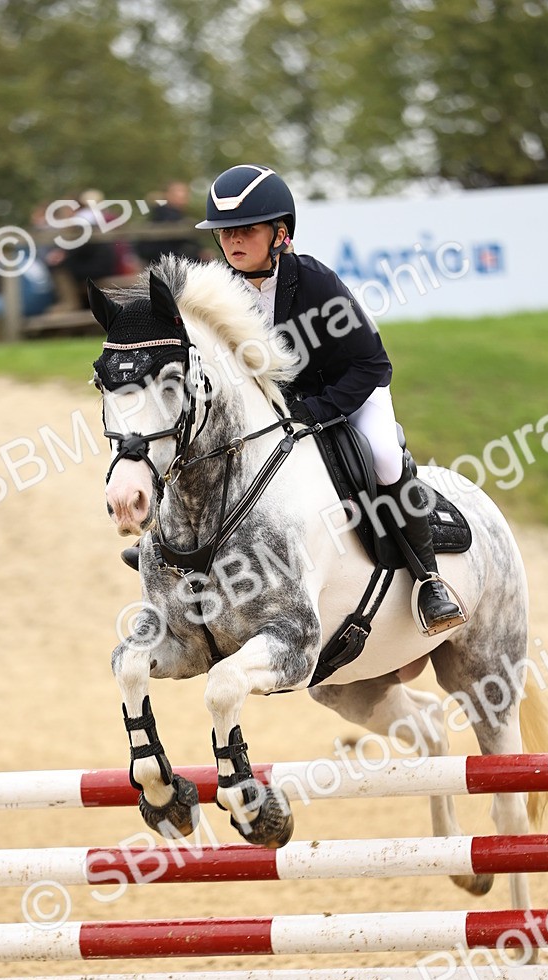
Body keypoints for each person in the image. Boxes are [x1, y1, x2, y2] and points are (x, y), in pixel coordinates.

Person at [194, 164, 465, 635]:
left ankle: (428, 579)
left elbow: (372, 365)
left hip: (350, 390)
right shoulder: (217, 289)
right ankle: (178, 551)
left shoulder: (318, 284)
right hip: (280, 408)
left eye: (247, 230)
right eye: (225, 232)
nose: (233, 241)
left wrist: (316, 412)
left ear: (280, 234)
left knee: (383, 458)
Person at [134, 181, 201, 265]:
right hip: (169, 265)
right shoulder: (167, 217)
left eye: (184, 194)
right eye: (178, 194)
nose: (182, 198)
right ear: (168, 195)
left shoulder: (163, 215)